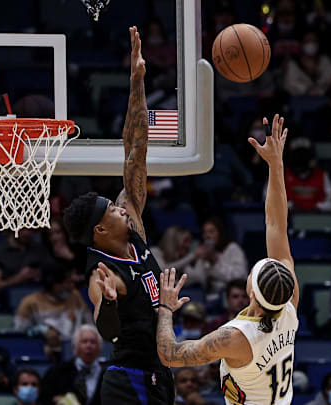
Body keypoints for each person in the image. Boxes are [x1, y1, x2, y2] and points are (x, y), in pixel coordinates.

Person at [62, 27, 175, 405]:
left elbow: (135, 148)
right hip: (130, 383)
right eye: (112, 209)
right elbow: (105, 328)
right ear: (99, 229)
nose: (120, 207)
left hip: (158, 377)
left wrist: (137, 82)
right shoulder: (102, 274)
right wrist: (109, 301)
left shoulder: (133, 230)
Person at [155, 114, 300, 405]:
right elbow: (275, 224)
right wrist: (276, 165)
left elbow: (169, 355)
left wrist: (166, 309)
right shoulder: (289, 304)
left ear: (251, 290)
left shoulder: (236, 337)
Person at [14, 264, 92, 341]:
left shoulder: (75, 296)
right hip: (42, 350)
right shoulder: (30, 302)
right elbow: (20, 333)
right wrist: (41, 330)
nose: (72, 287)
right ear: (54, 284)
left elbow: (91, 326)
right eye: (68, 282)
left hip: (74, 349)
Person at [40, 325, 106, 405]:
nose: (89, 346)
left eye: (93, 342)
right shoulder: (57, 372)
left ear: (100, 348)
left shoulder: (108, 375)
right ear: (75, 347)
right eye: (84, 341)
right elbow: (44, 399)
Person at [189, 217, 248, 294]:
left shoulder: (233, 249)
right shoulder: (204, 253)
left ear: (220, 233)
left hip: (231, 295)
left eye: (211, 232)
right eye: (204, 232)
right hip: (209, 295)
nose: (207, 236)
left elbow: (240, 277)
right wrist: (200, 260)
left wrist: (215, 261)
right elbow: (199, 280)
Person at [283, 137, 331, 213]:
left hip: (318, 219)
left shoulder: (322, 175)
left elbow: (330, 201)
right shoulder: (280, 174)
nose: (301, 158)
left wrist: (317, 208)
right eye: (297, 154)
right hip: (287, 219)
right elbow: (269, 199)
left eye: (304, 154)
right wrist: (290, 206)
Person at [283, 30, 331, 96]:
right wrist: (307, 90)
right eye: (307, 41)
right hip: (299, 99)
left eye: (314, 41)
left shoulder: (325, 60)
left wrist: (319, 90)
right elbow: (290, 84)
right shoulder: (293, 63)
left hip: (323, 98)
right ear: (302, 44)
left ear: (318, 44)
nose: (311, 44)